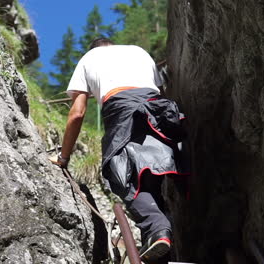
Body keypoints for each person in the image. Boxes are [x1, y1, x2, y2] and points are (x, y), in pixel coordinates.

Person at [49, 38, 188, 261]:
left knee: (119, 175)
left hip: (123, 110)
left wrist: (63, 157)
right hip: (160, 112)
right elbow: (160, 91)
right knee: (149, 182)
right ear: (112, 45)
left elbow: (77, 113)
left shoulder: (89, 58)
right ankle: (158, 249)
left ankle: (158, 228)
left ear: (93, 49)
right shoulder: (139, 51)